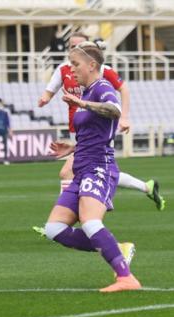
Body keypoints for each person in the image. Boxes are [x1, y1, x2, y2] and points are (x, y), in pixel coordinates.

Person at [45, 41, 141, 292]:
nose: (71, 69)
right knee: (54, 229)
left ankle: (126, 278)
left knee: (89, 221)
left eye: (75, 64)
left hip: (100, 167)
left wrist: (83, 104)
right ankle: (117, 248)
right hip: (82, 166)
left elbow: (114, 110)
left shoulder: (102, 87)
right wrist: (72, 147)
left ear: (92, 65)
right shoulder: (87, 92)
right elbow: (94, 132)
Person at [37, 32, 165, 211]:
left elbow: (123, 90)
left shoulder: (100, 71)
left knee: (67, 172)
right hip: (79, 130)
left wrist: (125, 117)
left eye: (79, 45)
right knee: (104, 172)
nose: (74, 49)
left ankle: (63, 218)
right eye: (71, 46)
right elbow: (49, 91)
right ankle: (146, 187)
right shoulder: (65, 69)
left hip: (96, 127)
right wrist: (44, 98)